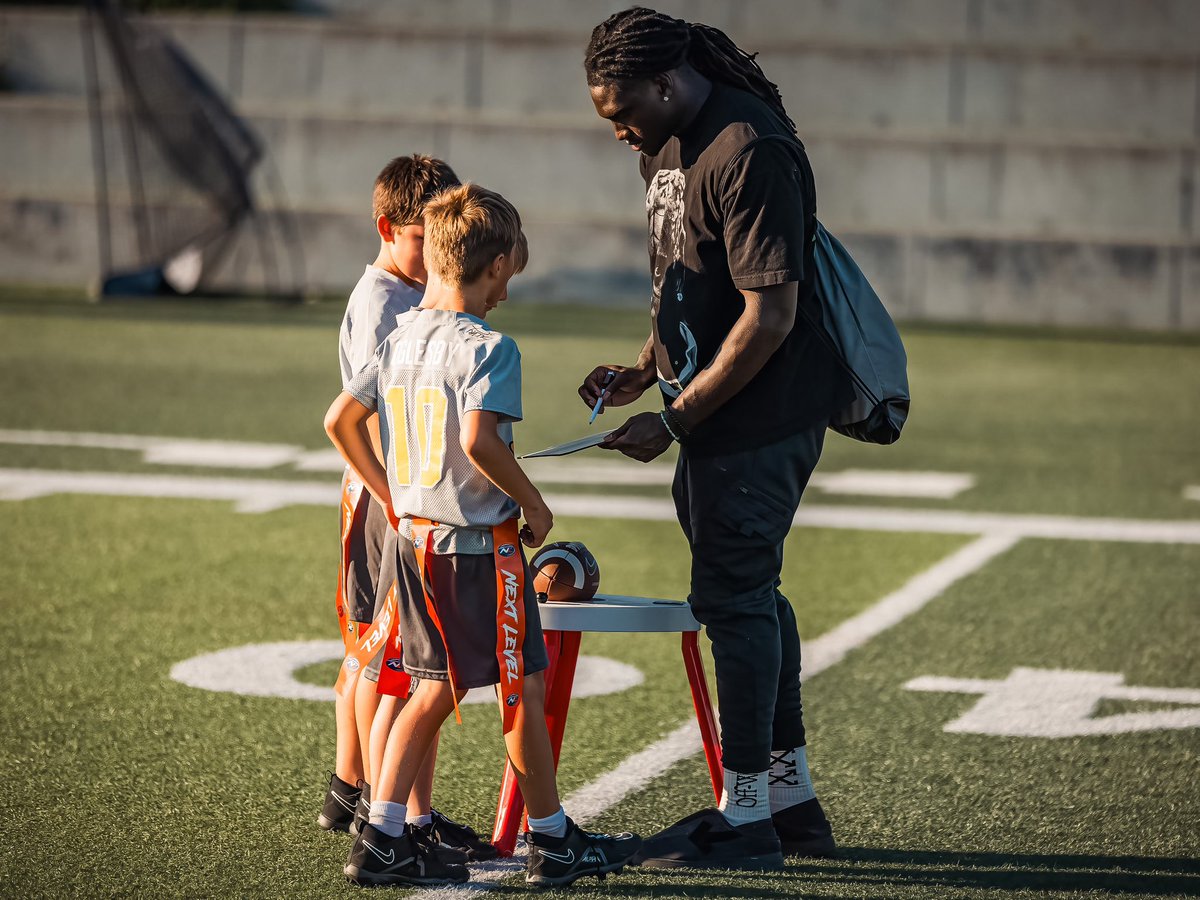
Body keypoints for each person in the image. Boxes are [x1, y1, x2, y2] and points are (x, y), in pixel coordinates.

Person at [578, 7, 853, 871]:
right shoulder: (668, 139)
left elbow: (770, 317)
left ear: (667, 83)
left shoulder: (749, 149)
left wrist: (675, 416)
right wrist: (644, 367)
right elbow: (689, 277)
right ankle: (790, 805)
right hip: (712, 413)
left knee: (734, 603)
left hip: (758, 422)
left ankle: (745, 820)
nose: (619, 132)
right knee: (752, 598)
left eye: (623, 113)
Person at [325, 183, 642, 888]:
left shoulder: (401, 336)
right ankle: (535, 842)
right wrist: (534, 505)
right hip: (473, 551)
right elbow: (478, 440)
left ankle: (392, 832)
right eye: (510, 275)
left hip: (413, 545)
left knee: (447, 687)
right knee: (496, 689)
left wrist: (394, 495)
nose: (507, 291)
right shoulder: (491, 348)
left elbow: (340, 421)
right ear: (496, 265)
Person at [320, 154, 492, 860]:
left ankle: (386, 807)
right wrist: (393, 498)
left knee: (397, 660)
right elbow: (355, 420)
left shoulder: (404, 293)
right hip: (386, 499)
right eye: (424, 237)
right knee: (383, 660)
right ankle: (375, 807)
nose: (437, 255)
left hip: (402, 497)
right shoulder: (385, 303)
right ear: (389, 228)